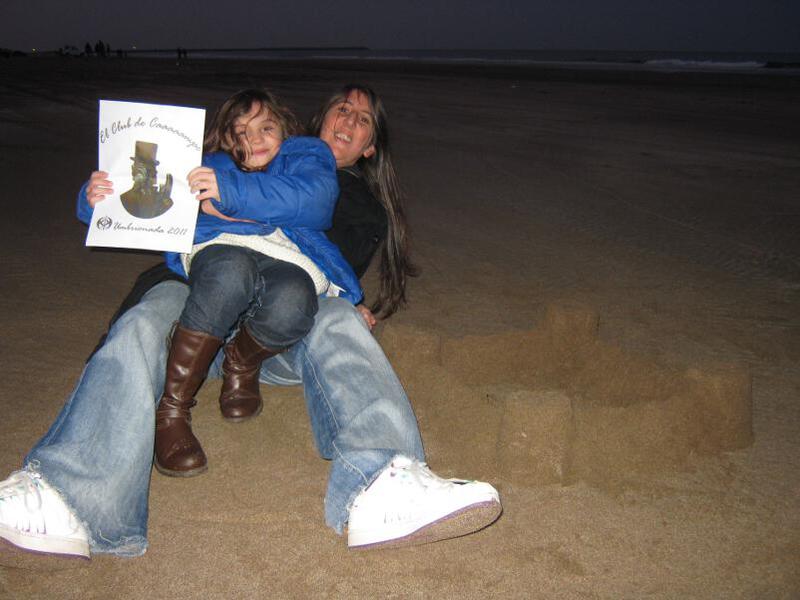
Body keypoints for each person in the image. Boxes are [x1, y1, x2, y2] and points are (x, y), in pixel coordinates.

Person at [0, 85, 501, 561]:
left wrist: (351, 298)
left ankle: (384, 479)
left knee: (340, 323)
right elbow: (157, 205)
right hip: (198, 302)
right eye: (342, 110)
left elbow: (315, 239)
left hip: (282, 327)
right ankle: (66, 496)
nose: (348, 121)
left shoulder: (354, 203)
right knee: (142, 324)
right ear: (312, 119)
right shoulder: (232, 159)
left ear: (372, 146)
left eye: (363, 119)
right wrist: (100, 200)